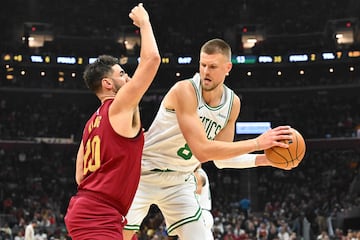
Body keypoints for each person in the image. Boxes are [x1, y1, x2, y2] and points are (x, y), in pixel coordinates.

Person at [123, 38, 292, 240]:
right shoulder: (184, 90)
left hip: (180, 181)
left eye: (212, 66)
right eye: (202, 65)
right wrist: (257, 143)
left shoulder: (232, 103)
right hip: (144, 172)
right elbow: (202, 151)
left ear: (228, 67)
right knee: (120, 236)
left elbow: (222, 159)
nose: (205, 71)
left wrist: (264, 159)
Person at [64, 3, 160, 240]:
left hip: (92, 210)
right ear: (108, 84)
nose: (127, 77)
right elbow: (152, 60)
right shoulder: (117, 106)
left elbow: (80, 177)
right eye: (121, 74)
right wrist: (145, 22)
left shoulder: (91, 124)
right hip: (99, 214)